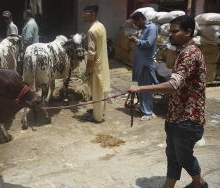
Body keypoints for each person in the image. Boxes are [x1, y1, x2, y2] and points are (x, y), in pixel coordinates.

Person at [128, 15, 208, 188]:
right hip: (175, 116)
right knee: (173, 156)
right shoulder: (182, 52)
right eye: (170, 31)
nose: (170, 35)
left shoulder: (190, 54)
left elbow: (173, 85)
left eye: (175, 31)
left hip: (188, 119)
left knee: (183, 157)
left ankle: (199, 183)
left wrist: (140, 88)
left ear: (188, 32)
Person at [82, 4, 111, 123]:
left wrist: (88, 69)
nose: (84, 16)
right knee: (102, 90)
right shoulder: (101, 26)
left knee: (97, 91)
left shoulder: (91, 30)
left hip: (96, 65)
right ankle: (100, 112)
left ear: (93, 14)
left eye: (86, 14)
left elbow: (91, 53)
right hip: (103, 63)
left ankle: (97, 117)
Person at [128, 12, 158, 121]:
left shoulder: (152, 28)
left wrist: (136, 40)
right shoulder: (143, 29)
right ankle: (144, 108)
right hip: (141, 63)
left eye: (136, 22)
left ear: (141, 19)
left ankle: (149, 113)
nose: (135, 24)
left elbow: (148, 44)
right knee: (141, 87)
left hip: (146, 64)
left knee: (145, 89)